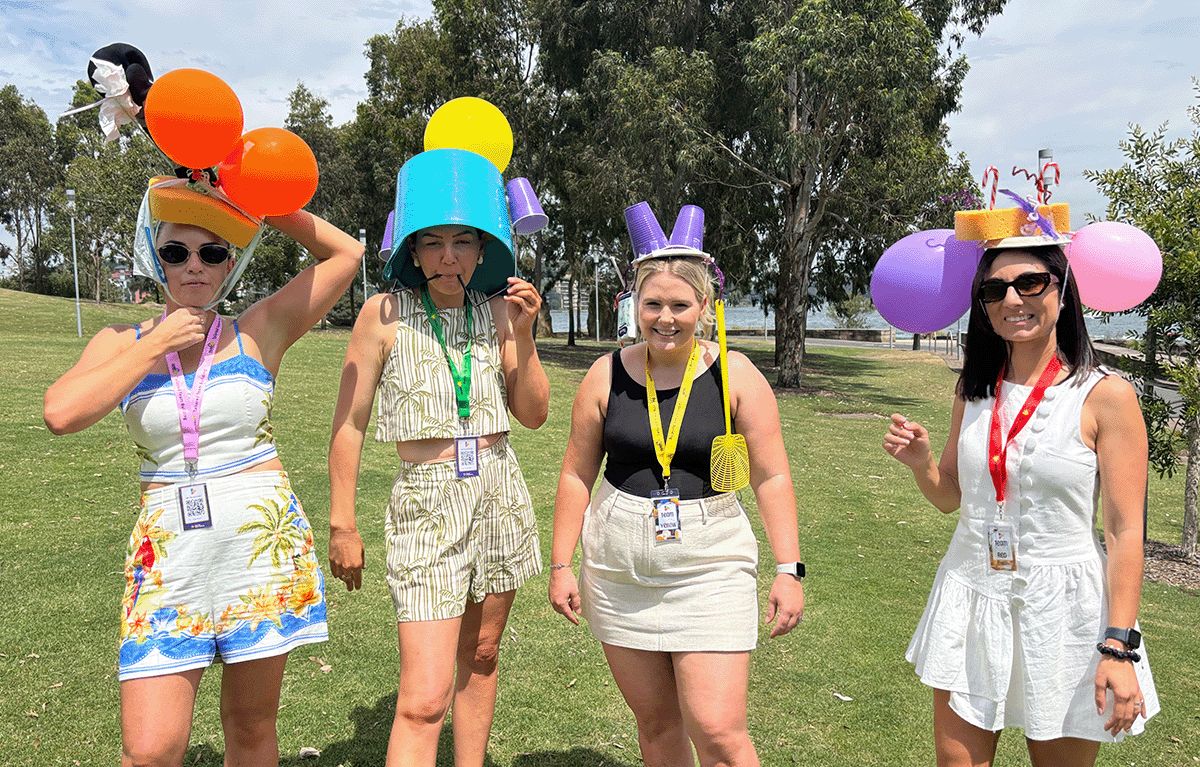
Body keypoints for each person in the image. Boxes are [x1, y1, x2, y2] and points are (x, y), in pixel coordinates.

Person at [43, 175, 364, 766]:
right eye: (176, 251)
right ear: (155, 258)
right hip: (170, 559)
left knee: (250, 728)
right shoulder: (120, 341)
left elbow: (346, 253)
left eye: (212, 252)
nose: (194, 265)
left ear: (229, 264)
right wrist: (153, 345)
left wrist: (252, 192)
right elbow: (60, 413)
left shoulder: (257, 331)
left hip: (260, 551)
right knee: (150, 750)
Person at [882, 242, 1159, 766]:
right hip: (970, 591)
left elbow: (1125, 532)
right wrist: (922, 464)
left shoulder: (1105, 396)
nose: (1012, 299)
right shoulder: (973, 388)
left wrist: (1118, 648)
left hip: (1065, 609)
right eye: (994, 290)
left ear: (1063, 290)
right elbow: (950, 498)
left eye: (1029, 283)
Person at [548, 203, 805, 767]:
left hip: (710, 563)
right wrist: (561, 564)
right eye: (653, 304)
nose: (665, 318)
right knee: (658, 725)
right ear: (634, 305)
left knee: (717, 730)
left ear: (704, 307)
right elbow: (575, 473)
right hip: (618, 565)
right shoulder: (605, 374)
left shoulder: (736, 374)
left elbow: (771, 476)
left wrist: (789, 569)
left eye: (680, 305)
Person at [327, 146, 549, 767]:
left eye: (462, 241)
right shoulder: (383, 315)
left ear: (482, 248)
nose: (448, 257)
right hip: (426, 502)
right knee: (424, 699)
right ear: (414, 250)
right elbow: (349, 425)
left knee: (482, 655)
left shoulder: (501, 311)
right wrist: (343, 523)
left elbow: (533, 413)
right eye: (432, 242)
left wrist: (524, 335)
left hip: (499, 492)